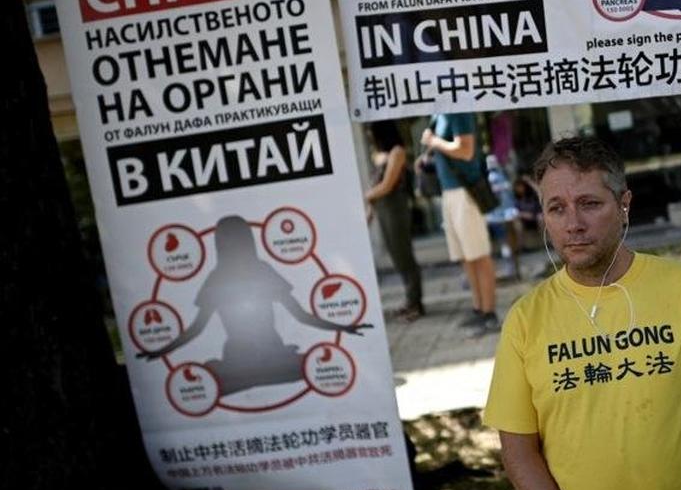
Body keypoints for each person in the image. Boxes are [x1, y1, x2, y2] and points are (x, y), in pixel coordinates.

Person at [484, 136, 681, 490]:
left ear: (624, 204)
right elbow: (518, 449)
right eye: (556, 208)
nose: (573, 224)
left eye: (590, 204)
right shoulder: (526, 319)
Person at [136, 216, 371, 395]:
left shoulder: (236, 275)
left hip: (265, 357)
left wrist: (345, 327)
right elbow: (302, 316)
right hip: (248, 360)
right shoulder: (233, 276)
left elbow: (196, 330)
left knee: (309, 365)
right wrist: (160, 350)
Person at [421, 113, 500, 336]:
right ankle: (479, 309)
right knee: (466, 256)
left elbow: (466, 150)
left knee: (479, 255)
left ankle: (490, 313)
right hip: (449, 192)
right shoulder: (440, 113)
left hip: (465, 192)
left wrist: (433, 141)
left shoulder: (458, 111)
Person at [364, 121, 425, 321]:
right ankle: (409, 301)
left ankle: (415, 303)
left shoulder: (397, 152)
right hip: (383, 209)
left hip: (395, 209)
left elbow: (387, 184)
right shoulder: (380, 155)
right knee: (396, 257)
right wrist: (370, 208)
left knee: (403, 255)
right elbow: (377, 186)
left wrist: (365, 196)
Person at [486, 154, 523, 281]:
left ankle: (512, 269)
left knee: (507, 243)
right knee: (506, 244)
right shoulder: (497, 178)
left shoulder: (497, 177)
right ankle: (511, 269)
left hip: (503, 216)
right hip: (499, 216)